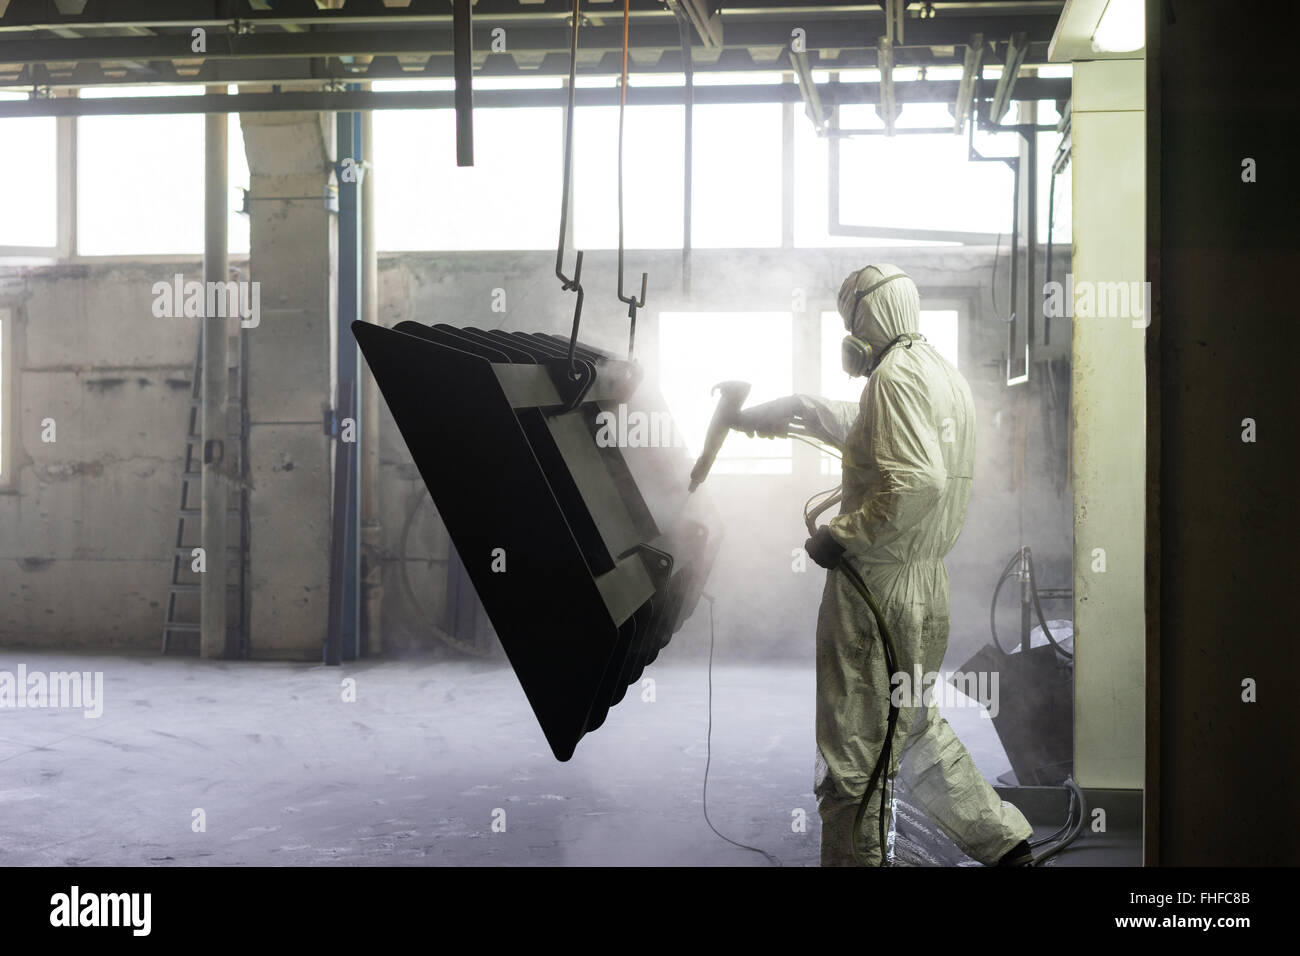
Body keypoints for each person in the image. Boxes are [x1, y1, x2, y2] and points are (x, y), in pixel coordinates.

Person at [736, 264, 1034, 867]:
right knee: (914, 727)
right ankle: (1004, 844)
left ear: (868, 317)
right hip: (924, 586)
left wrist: (841, 535)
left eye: (852, 321)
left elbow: (916, 482)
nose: (851, 337)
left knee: (852, 750)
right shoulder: (935, 373)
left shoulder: (893, 376)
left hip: (877, 586)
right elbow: (879, 432)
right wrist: (800, 408)